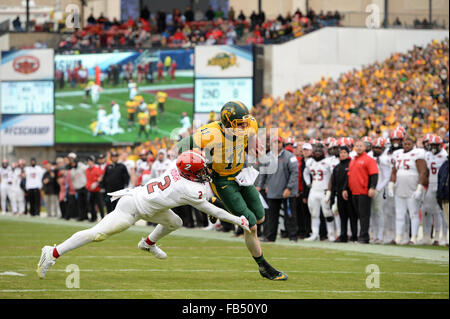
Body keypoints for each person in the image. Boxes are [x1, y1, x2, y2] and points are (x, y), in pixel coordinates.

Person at [36, 151, 250, 279]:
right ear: (189, 172)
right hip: (133, 207)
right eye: (200, 169)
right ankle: (53, 252)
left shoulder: (178, 170)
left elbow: (203, 185)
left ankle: (148, 243)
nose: (205, 172)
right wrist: (237, 220)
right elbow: (211, 209)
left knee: (175, 221)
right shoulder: (189, 188)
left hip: (151, 204)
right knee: (97, 235)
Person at [176, 101, 288, 281]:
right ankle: (264, 266)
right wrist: (200, 161)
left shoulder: (250, 125)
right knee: (250, 224)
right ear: (227, 122)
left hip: (240, 175)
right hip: (221, 180)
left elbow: (249, 143)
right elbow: (182, 146)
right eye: (239, 124)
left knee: (260, 216)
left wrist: (253, 147)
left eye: (245, 123)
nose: (244, 126)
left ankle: (216, 207)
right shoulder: (210, 132)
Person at [257, 137, 298, 242]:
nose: (276, 145)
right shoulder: (266, 157)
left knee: (290, 216)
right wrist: (260, 186)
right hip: (272, 191)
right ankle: (270, 237)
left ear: (282, 144)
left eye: (278, 142)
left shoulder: (290, 156)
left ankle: (293, 237)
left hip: (287, 192)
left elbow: (294, 174)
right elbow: (263, 174)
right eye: (274, 143)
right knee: (272, 217)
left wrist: (289, 188)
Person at [388, 136, 427, 245]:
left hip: (412, 188)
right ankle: (398, 237)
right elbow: (394, 171)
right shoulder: (398, 154)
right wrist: (391, 185)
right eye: (405, 144)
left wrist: (419, 188)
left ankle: (413, 237)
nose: (407, 146)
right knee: (399, 214)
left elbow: (423, 171)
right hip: (400, 188)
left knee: (413, 214)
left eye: (409, 144)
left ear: (413, 145)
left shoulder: (418, 154)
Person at [343, 140, 378, 244]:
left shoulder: (369, 160)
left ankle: (364, 237)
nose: (358, 148)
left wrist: (372, 187)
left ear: (365, 147)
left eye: (360, 146)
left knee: (364, 215)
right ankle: (360, 235)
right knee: (358, 215)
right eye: (356, 146)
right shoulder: (353, 160)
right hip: (354, 192)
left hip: (363, 192)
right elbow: (349, 175)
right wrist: (345, 188)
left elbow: (374, 174)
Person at [303, 143, 336, 241]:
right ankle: (315, 234)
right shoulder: (310, 162)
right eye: (316, 151)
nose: (317, 153)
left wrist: (330, 190)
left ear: (323, 152)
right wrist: (308, 183)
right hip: (314, 190)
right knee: (314, 213)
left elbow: (333, 175)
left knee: (328, 213)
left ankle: (331, 234)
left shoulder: (328, 161)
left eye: (319, 151)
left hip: (325, 190)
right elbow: (305, 173)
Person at [422, 135, 448, 245]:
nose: (433, 148)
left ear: (440, 145)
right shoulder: (427, 155)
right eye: (431, 145)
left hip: (441, 185)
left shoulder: (444, 155)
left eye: (435, 145)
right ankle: (427, 236)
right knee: (426, 210)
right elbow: (426, 171)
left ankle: (442, 236)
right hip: (430, 185)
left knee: (442, 213)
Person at [330, 146, 357, 242]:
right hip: (339, 195)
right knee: (342, 217)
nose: (342, 154)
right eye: (341, 152)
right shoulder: (336, 167)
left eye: (345, 152)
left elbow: (352, 179)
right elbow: (333, 183)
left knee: (352, 216)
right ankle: (343, 235)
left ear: (348, 153)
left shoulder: (351, 165)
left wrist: (347, 189)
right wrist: (332, 196)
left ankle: (354, 236)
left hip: (350, 194)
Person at [369, 138, 392, 244]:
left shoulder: (384, 159)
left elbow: (387, 177)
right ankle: (374, 234)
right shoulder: (370, 157)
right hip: (370, 188)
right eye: (375, 147)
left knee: (379, 212)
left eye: (379, 148)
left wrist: (378, 188)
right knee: (372, 212)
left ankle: (380, 235)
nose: (376, 149)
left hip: (380, 188)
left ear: (383, 148)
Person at [85, 156, 105, 222]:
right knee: (91, 204)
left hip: (97, 189)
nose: (89, 162)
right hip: (90, 189)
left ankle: (103, 218)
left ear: (93, 162)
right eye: (88, 161)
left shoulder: (96, 168)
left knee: (100, 204)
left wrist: (96, 183)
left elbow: (101, 177)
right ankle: (93, 217)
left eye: (90, 161)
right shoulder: (87, 170)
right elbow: (87, 179)